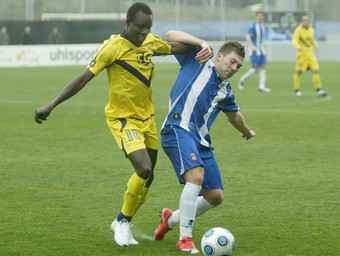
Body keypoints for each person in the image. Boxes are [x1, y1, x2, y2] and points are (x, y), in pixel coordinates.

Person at [34, 2, 212, 248]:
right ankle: (122, 221)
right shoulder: (113, 47)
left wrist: (202, 44)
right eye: (139, 27)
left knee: (147, 178)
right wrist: (51, 105)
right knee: (144, 169)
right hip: (123, 119)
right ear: (127, 23)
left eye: (148, 27)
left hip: (147, 119)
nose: (143, 32)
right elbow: (83, 79)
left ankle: (124, 222)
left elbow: (175, 46)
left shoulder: (150, 41)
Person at [154, 31, 256, 254]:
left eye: (238, 66)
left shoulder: (225, 91)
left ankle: (170, 220)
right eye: (232, 61)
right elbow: (171, 34)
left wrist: (246, 130)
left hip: (200, 140)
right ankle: (185, 239)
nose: (233, 68)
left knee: (215, 197)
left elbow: (233, 115)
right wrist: (201, 42)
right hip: (176, 128)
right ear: (219, 56)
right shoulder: (198, 59)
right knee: (196, 177)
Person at [292, 14, 327, 97]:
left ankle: (318, 89)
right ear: (302, 21)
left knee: (316, 70)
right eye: (305, 20)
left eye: (307, 20)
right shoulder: (298, 30)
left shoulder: (311, 29)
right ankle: (296, 90)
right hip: (302, 54)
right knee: (299, 71)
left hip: (310, 53)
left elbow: (311, 39)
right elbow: (294, 39)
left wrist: (316, 45)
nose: (306, 22)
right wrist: (298, 46)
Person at [238, 11, 271, 93]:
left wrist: (264, 47)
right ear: (256, 17)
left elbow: (261, 39)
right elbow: (248, 37)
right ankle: (242, 79)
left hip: (261, 50)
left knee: (263, 67)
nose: (261, 17)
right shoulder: (253, 26)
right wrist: (253, 47)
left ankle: (262, 86)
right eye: (259, 16)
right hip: (255, 51)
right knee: (255, 69)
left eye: (262, 16)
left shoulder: (263, 26)